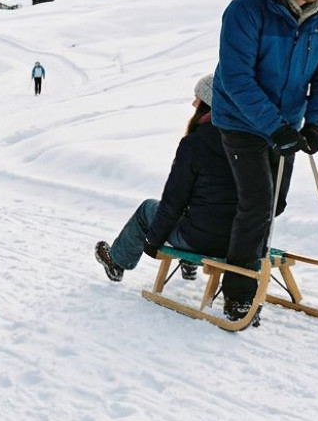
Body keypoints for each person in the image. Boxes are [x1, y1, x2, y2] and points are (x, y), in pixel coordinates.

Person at [212, 0, 318, 326]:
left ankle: (235, 251)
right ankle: (237, 293)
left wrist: (316, 124)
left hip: (285, 123)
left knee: (274, 205)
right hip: (240, 117)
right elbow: (236, 78)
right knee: (257, 201)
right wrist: (275, 126)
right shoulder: (247, 8)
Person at [94, 73, 237, 283]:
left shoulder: (195, 144)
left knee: (148, 209)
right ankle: (188, 265)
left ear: (207, 103)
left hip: (199, 240)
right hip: (238, 239)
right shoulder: (245, 143)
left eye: (197, 97)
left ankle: (117, 262)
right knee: (205, 204)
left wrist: (153, 240)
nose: (193, 102)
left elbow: (174, 200)